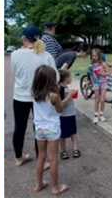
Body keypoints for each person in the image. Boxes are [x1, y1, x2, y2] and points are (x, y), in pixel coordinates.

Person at [11, 26, 56, 166]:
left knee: (19, 127)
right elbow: (56, 76)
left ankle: (18, 157)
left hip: (20, 96)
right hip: (39, 97)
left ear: (24, 38)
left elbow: (15, 73)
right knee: (39, 128)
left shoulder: (15, 54)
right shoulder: (46, 56)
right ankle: (41, 159)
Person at [32, 65, 70, 195]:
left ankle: (39, 184)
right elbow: (60, 109)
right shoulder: (53, 95)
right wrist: (69, 97)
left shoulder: (34, 93)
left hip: (39, 128)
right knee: (53, 159)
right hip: (52, 129)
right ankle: (55, 187)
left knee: (41, 156)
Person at [57, 69, 80, 159]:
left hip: (68, 115)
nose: (71, 78)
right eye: (70, 76)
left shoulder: (64, 88)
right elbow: (62, 104)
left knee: (68, 133)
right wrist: (70, 95)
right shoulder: (61, 89)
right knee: (68, 134)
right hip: (65, 115)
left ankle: (70, 150)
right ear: (66, 78)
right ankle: (66, 150)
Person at [91, 48, 109, 124]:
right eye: (92, 56)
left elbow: (108, 72)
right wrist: (91, 82)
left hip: (103, 83)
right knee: (97, 100)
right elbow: (92, 75)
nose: (93, 57)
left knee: (102, 100)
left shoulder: (103, 64)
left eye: (95, 56)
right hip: (96, 83)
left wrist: (103, 73)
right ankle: (95, 115)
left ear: (99, 56)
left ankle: (101, 114)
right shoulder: (92, 65)